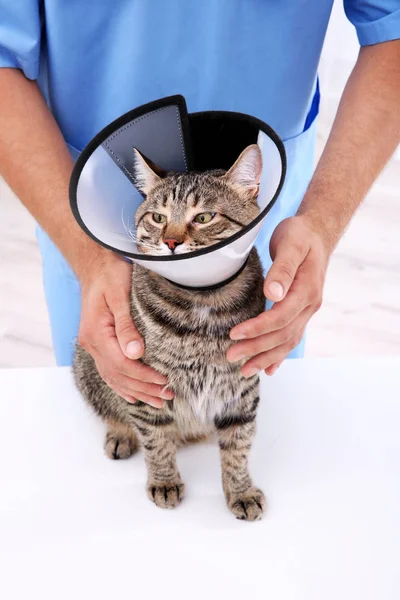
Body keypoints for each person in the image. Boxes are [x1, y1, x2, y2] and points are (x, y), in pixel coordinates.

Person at [0, 2, 399, 409]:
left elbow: (393, 26)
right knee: (120, 417)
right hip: (94, 220)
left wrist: (322, 220)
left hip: (263, 206)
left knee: (258, 413)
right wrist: (87, 257)